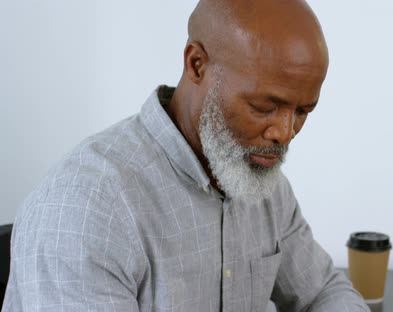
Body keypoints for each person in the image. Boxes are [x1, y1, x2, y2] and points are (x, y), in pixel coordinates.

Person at [2, 0, 369, 311]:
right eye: (264, 106)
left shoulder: (265, 184)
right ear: (197, 64)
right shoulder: (88, 208)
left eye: (303, 112)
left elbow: (324, 291)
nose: (285, 134)